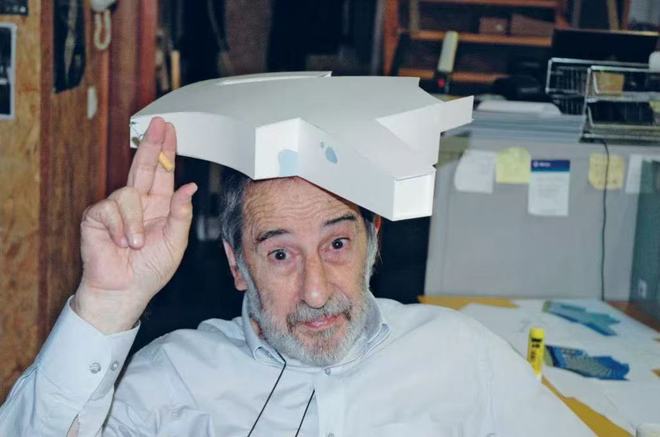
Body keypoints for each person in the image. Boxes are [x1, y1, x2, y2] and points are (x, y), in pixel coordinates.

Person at [0, 117, 593, 436]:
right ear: (237, 264)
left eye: (336, 244)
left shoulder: (461, 354)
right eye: (280, 254)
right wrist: (105, 305)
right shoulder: (173, 381)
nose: (316, 291)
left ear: (373, 241)